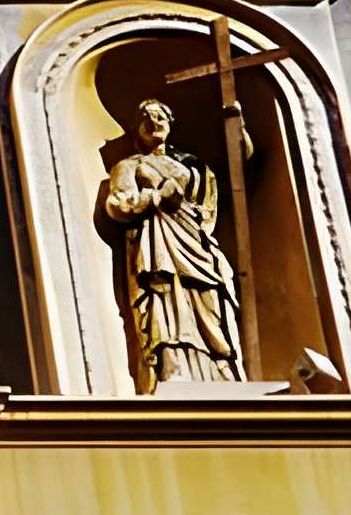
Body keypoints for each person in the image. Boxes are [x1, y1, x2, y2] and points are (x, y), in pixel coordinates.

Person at [101, 96, 245, 388]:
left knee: (208, 302)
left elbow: (223, 189)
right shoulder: (129, 165)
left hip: (195, 240)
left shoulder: (193, 166)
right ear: (136, 128)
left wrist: (238, 129)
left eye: (160, 118)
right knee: (165, 300)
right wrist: (156, 198)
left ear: (170, 125)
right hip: (158, 241)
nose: (154, 123)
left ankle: (220, 374)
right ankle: (171, 367)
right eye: (147, 119)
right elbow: (117, 204)